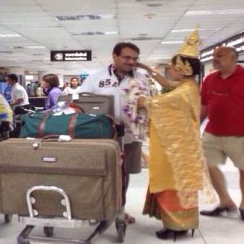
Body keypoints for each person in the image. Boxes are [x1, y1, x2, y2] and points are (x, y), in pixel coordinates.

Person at [138, 28, 212, 240]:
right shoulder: (188, 86)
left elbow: (152, 103)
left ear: (183, 68)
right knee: (182, 185)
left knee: (172, 186)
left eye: (173, 66)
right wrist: (148, 70)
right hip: (184, 147)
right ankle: (183, 223)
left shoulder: (181, 93)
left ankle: (176, 225)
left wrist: (137, 98)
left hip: (176, 150)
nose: (170, 69)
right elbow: (166, 84)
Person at [80, 42, 150, 224]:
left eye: (135, 59)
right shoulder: (96, 78)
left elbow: (149, 104)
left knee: (124, 174)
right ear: (115, 56)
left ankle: (120, 209)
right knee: (99, 173)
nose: (131, 62)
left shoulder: (142, 78)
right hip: (101, 136)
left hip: (129, 136)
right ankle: (97, 210)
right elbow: (81, 103)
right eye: (127, 57)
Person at [199, 46, 244, 221]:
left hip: (240, 134)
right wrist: (196, 126)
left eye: (220, 55)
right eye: (214, 55)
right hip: (212, 133)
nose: (215, 58)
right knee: (207, 165)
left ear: (234, 58)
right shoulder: (210, 79)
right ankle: (225, 201)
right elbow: (204, 105)